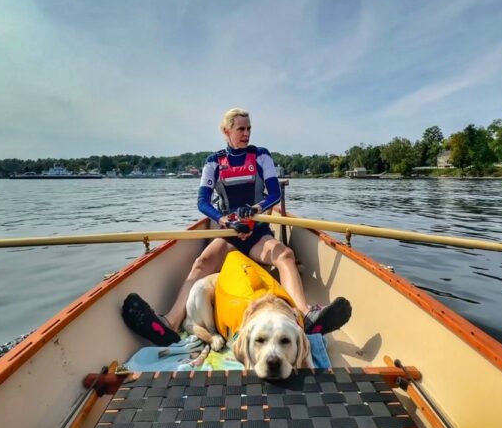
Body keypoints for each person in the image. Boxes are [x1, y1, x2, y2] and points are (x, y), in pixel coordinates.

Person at [122, 108, 351, 346]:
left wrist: (254, 209)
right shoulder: (213, 162)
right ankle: (169, 323)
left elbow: (273, 194)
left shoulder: (262, 156)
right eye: (241, 128)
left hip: (257, 234)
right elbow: (202, 202)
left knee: (285, 254)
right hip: (228, 234)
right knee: (200, 262)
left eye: (249, 128)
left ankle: (306, 316)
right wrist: (223, 220)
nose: (246, 133)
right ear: (226, 131)